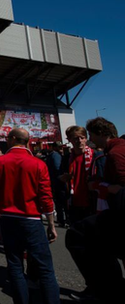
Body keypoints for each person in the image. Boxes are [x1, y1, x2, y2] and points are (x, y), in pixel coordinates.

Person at [0, 128, 59, 304]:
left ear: (12, 139)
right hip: (32, 219)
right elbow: (46, 197)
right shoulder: (38, 164)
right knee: (45, 268)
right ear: (27, 141)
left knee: (15, 265)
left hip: (8, 219)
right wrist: (51, 224)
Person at [66, 117, 125, 302]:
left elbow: (122, 185)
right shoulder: (112, 150)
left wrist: (106, 187)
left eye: (88, 135)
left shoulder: (113, 153)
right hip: (89, 205)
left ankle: (109, 289)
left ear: (101, 134)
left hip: (113, 211)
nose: (86, 139)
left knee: (77, 237)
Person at [60, 126, 100, 224]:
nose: (79, 141)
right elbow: (59, 176)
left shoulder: (96, 156)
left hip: (92, 201)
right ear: (69, 140)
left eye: (82, 137)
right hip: (74, 202)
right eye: (75, 138)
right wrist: (63, 178)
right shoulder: (67, 158)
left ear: (86, 138)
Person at [46, 141, 67, 227]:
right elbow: (57, 167)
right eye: (59, 147)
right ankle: (63, 220)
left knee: (59, 203)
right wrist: (62, 177)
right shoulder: (56, 155)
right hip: (59, 183)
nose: (61, 149)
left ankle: (60, 219)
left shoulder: (52, 155)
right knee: (62, 202)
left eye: (61, 147)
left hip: (54, 182)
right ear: (54, 147)